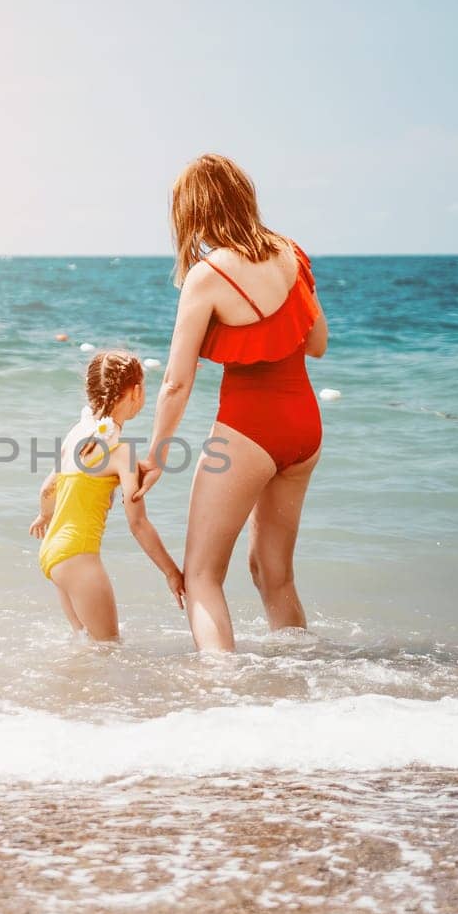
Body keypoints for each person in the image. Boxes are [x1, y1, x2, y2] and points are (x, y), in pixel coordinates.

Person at [131, 154, 328, 652]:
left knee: (201, 576)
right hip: (305, 427)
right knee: (273, 574)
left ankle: (222, 697)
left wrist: (155, 456)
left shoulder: (206, 276)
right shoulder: (292, 253)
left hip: (249, 429)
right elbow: (318, 343)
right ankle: (302, 680)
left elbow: (176, 382)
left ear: (193, 211)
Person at [31, 349, 185, 641]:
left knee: (85, 646)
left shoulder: (79, 434)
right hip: (79, 556)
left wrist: (44, 516)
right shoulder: (121, 451)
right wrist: (171, 571)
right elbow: (138, 524)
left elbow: (47, 488)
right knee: (107, 649)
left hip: (53, 553)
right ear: (136, 391)